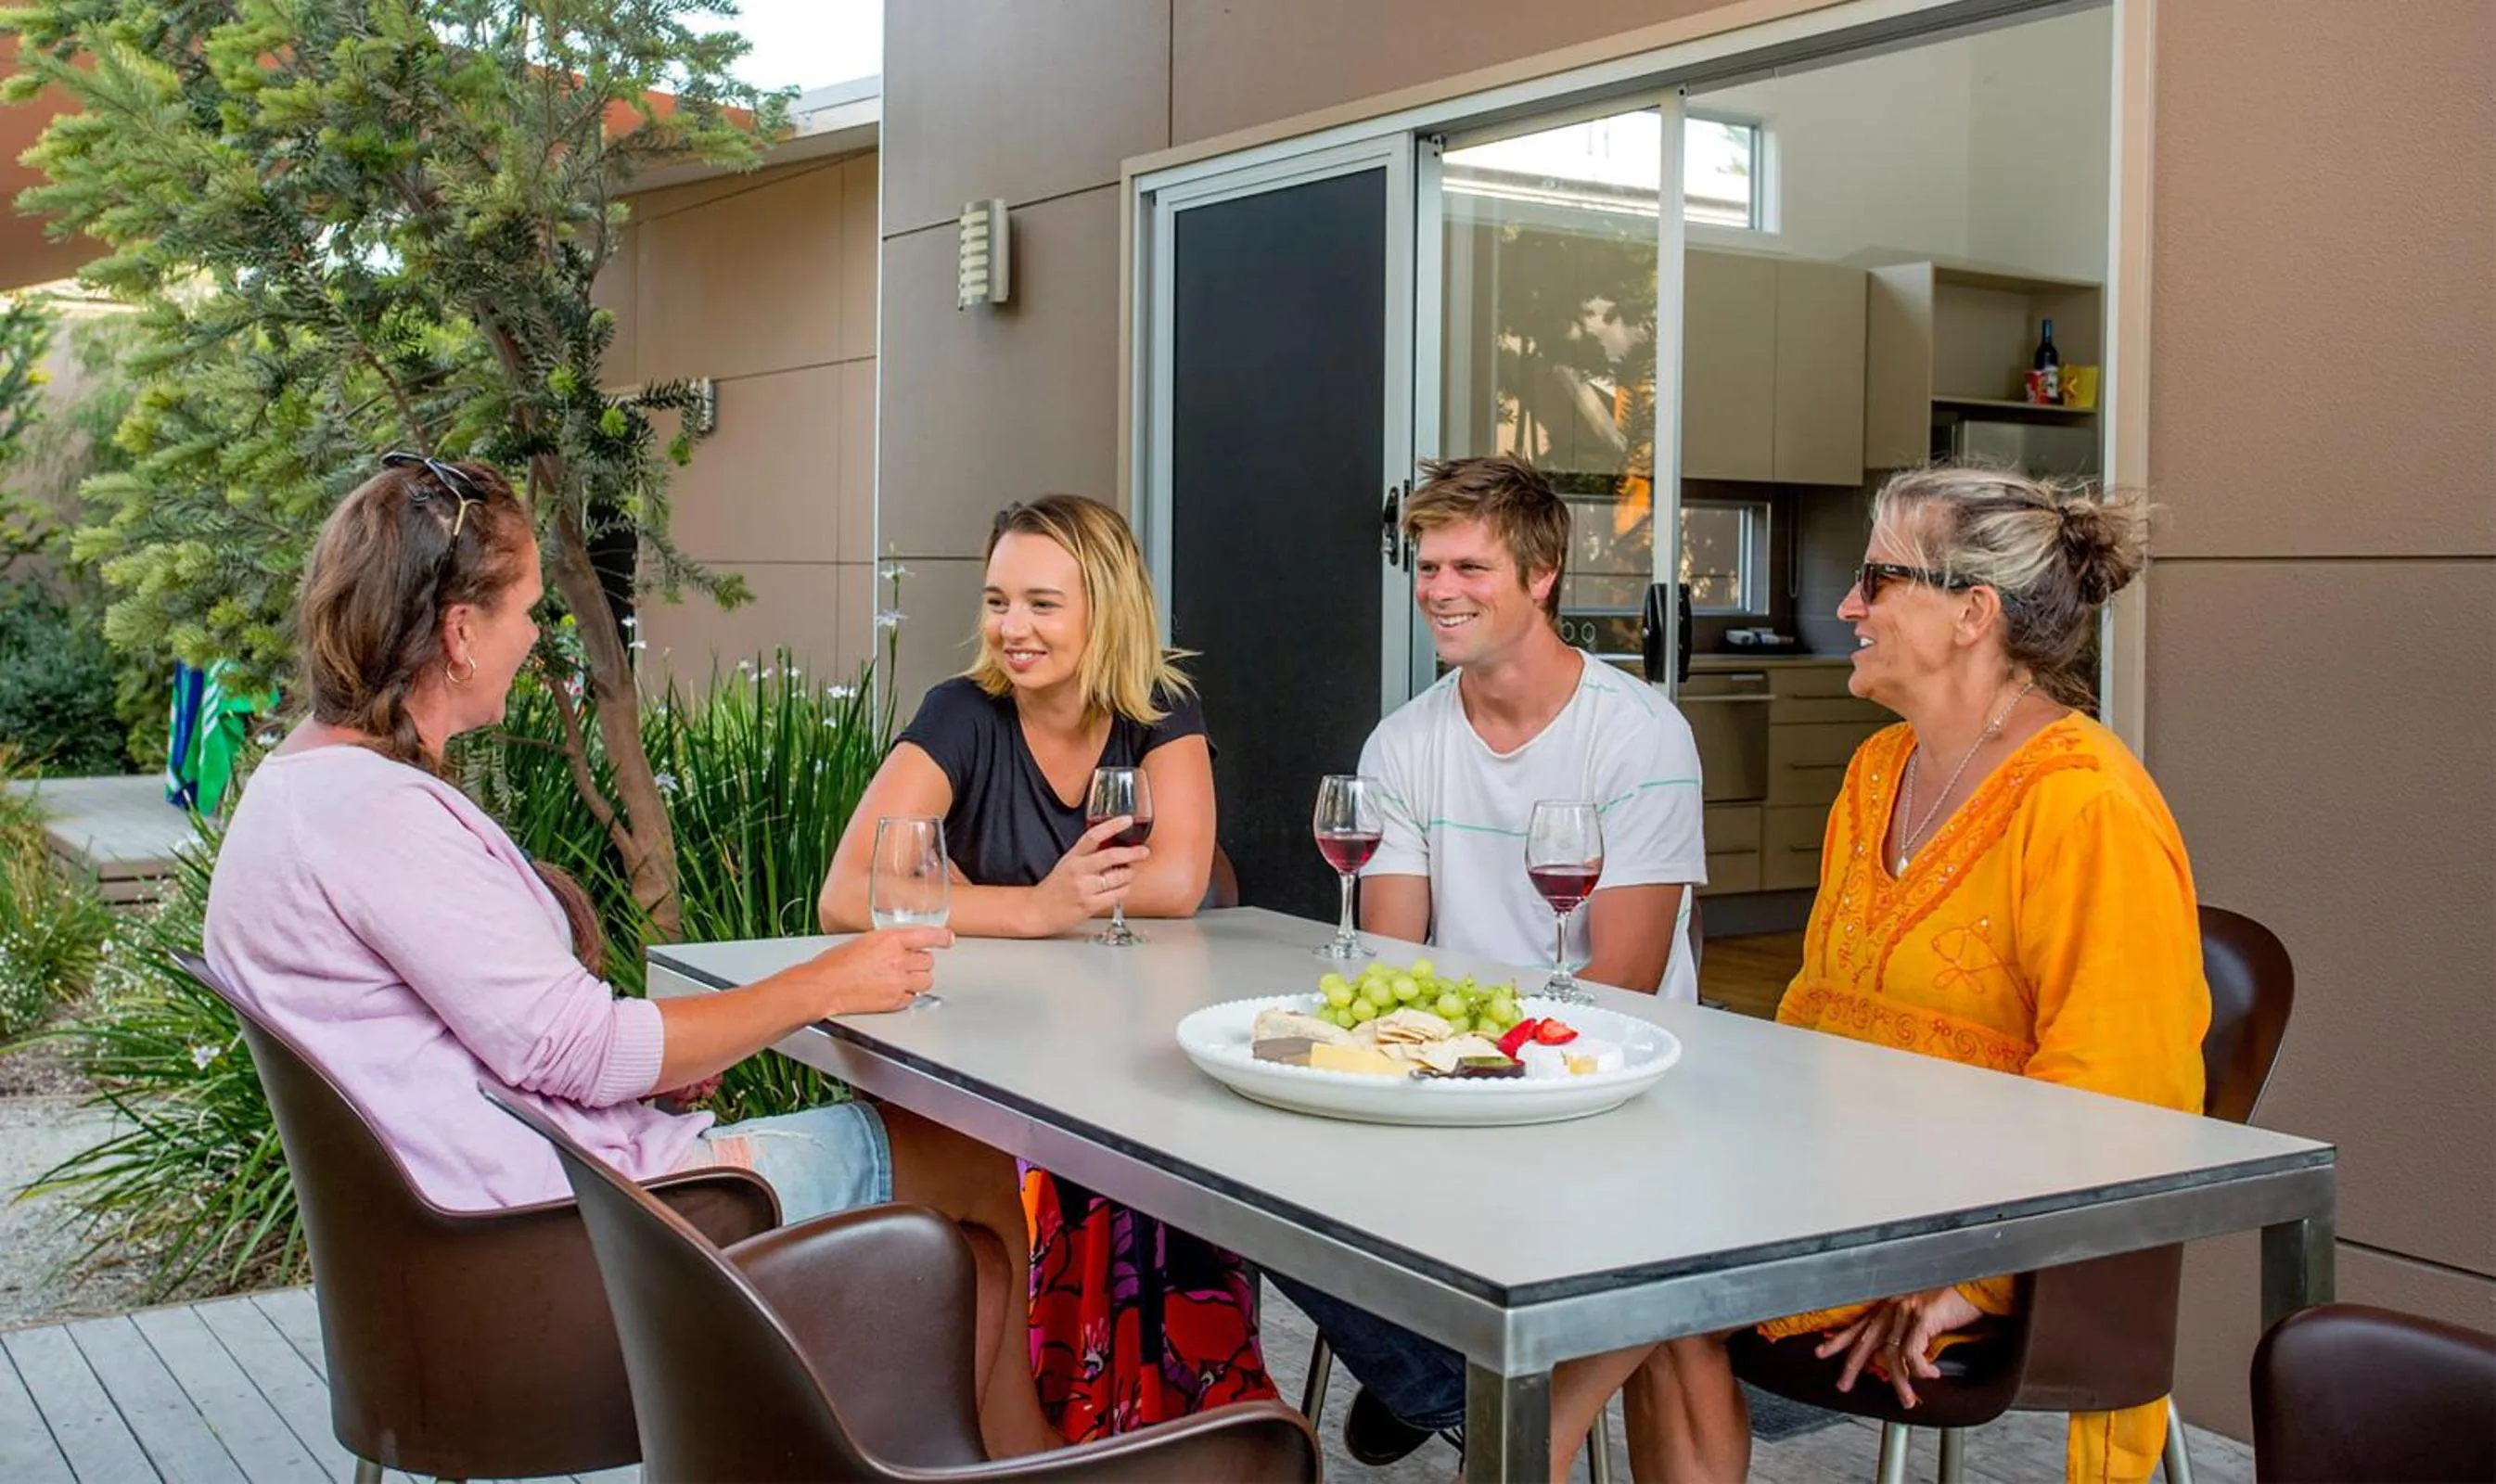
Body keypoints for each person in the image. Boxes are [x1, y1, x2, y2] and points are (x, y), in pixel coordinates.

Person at [202, 454, 1057, 1459]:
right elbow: (575, 1050)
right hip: (572, 1256)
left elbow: (467, 1051)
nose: (536, 638)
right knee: (967, 1163)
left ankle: (980, 1464)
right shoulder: (376, 817)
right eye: (526, 611)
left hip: (467, 1250)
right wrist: (827, 982)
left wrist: (668, 1064)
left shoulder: (296, 790)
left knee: (966, 1273)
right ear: (460, 632)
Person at [1628, 465, 2209, 1484]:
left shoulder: (2087, 808)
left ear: (1971, 613)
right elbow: (1814, 1018)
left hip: (1995, 1242)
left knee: (1631, 1282)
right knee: (1607, 1236)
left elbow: (2125, 1102)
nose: (1849, 605)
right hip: (1838, 1193)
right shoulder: (1876, 774)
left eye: (1877, 580)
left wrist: (1976, 1274)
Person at [1267, 453, 1711, 1477]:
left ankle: (1459, 1396)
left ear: (1542, 574)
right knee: (1247, 1174)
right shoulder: (1403, 744)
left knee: (1661, 1285)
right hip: (1453, 1080)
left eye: (1469, 567)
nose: (1439, 592)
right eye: (1426, 568)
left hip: (1615, 1095)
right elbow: (1394, 962)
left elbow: (1625, 985)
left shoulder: (1638, 735)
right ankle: (1446, 1386)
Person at [821, 493, 1273, 1439]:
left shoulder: (1158, 708)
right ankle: (1043, 1433)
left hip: (1126, 1040)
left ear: (1104, 608)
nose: (1011, 629)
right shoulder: (962, 713)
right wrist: (1037, 908)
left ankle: (1168, 1437)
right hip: (992, 1046)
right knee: (1056, 1171)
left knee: (1176, 1168)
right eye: (997, 601)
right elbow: (848, 887)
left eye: (1041, 603)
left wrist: (984, 901)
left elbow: (1183, 873)